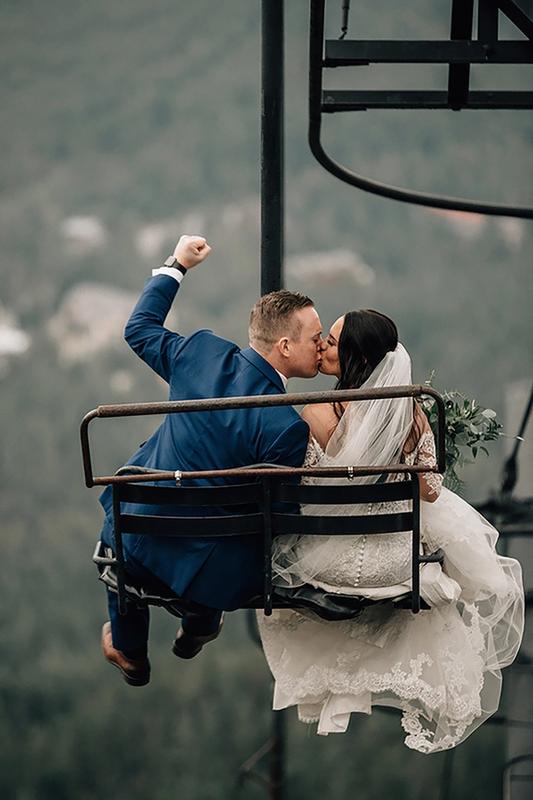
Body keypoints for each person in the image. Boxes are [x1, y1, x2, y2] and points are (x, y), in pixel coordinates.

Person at [258, 309, 524, 753]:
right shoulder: (413, 414)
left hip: (329, 565)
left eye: (333, 340)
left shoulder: (316, 414)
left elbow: (302, 490)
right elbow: (432, 491)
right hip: (393, 566)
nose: (323, 345)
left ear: (355, 356)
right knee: (445, 546)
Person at [99, 234, 323, 685]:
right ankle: (201, 621)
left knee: (121, 532)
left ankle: (129, 649)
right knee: (228, 530)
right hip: (216, 573)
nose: (321, 346)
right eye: (316, 338)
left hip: (141, 535)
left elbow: (139, 329)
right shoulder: (286, 427)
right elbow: (278, 519)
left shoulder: (199, 355)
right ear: (284, 347)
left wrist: (176, 264)